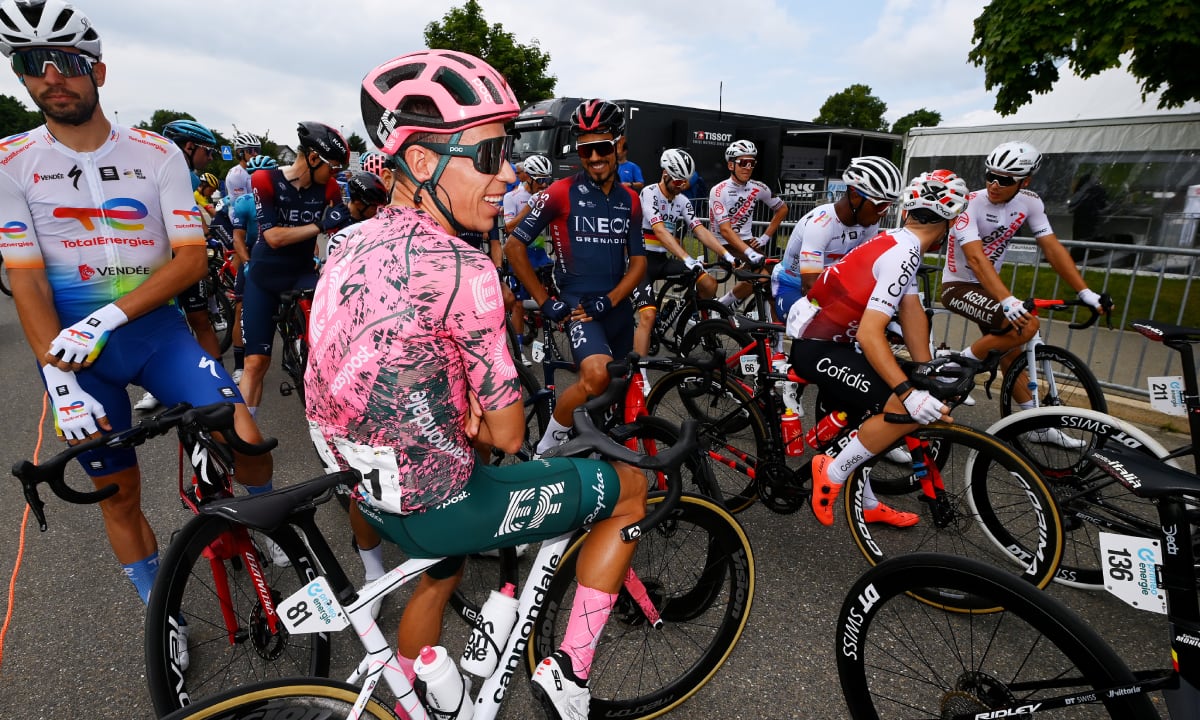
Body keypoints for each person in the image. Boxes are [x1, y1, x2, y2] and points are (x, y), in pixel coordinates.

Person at [309, 50, 648, 720]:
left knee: (444, 568)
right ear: (426, 163)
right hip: (437, 500)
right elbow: (508, 433)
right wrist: (469, 416)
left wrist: (446, 412)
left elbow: (340, 373)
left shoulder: (348, 242)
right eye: (490, 155)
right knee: (633, 490)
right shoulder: (465, 267)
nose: (509, 175)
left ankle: (414, 699)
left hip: (358, 485)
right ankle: (571, 678)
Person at [0, 0, 273, 619]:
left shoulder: (156, 152)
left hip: (153, 333)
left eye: (65, 61)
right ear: (20, 75)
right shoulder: (11, 162)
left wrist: (108, 317)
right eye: (30, 64)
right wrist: (62, 383)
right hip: (76, 357)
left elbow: (189, 260)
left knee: (248, 435)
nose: (50, 77)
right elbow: (29, 282)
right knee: (117, 495)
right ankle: (160, 611)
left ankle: (270, 520)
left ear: (97, 70)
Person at [789, 170, 971, 528]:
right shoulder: (903, 251)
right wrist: (908, 392)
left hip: (835, 340)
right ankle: (832, 470)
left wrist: (927, 370)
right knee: (901, 409)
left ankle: (867, 500)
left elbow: (912, 311)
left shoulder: (903, 243)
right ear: (951, 223)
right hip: (816, 345)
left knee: (896, 405)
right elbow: (870, 335)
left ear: (907, 212)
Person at [939, 141, 1109, 446]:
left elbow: (1052, 248)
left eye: (1005, 180)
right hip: (959, 286)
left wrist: (1085, 292)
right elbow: (976, 259)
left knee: (1012, 352)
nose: (994, 184)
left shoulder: (1030, 203)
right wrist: (1007, 299)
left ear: (1025, 181)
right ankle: (954, 367)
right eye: (990, 175)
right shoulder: (970, 204)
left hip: (989, 287)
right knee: (1028, 325)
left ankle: (1035, 425)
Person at [507, 99, 646, 458]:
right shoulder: (559, 192)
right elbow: (513, 246)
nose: (595, 157)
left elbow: (639, 264)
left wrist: (612, 300)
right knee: (597, 376)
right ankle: (549, 443)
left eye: (602, 147)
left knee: (619, 384)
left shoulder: (631, 200)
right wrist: (545, 300)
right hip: (578, 305)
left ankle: (597, 443)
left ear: (618, 145)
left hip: (614, 306)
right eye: (586, 150)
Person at [238, 121, 347, 419]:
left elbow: (344, 225)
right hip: (265, 277)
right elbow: (273, 238)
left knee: (330, 351)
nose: (335, 174)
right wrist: (320, 225)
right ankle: (244, 438)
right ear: (313, 159)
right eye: (333, 166)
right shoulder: (265, 179)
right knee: (256, 363)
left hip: (303, 272)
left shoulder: (329, 186)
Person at [134, 117, 224, 411]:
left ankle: (215, 377)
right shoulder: (154, 170)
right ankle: (167, 383)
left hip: (178, 256)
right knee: (176, 323)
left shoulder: (192, 179)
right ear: (189, 147)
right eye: (207, 152)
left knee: (198, 319)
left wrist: (207, 235)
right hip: (159, 258)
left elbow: (191, 212)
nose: (209, 159)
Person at [772, 156, 903, 318]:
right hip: (792, 284)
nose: (885, 213)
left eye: (889, 205)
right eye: (882, 205)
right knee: (814, 327)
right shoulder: (821, 223)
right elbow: (810, 286)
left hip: (831, 285)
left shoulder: (869, 223)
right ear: (855, 195)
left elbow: (862, 270)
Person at [631, 148, 727, 370]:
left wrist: (726, 254)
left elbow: (699, 229)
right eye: (677, 180)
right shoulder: (649, 192)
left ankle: (678, 318)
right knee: (647, 315)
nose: (681, 185)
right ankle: (639, 375)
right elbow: (660, 231)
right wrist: (686, 257)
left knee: (707, 282)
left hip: (662, 259)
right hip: (641, 261)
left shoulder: (682, 200)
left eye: (685, 182)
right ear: (664, 173)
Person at [709, 139, 789, 306]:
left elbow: (782, 209)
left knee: (775, 278)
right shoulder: (719, 190)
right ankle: (722, 304)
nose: (748, 167)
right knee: (761, 276)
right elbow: (725, 231)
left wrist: (764, 238)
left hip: (747, 243)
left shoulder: (758, 187)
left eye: (752, 163)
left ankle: (774, 329)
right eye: (743, 163)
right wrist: (749, 252)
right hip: (725, 245)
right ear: (731, 165)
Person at [228, 154, 278, 384]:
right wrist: (247, 263)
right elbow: (237, 238)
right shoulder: (244, 202)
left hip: (280, 256)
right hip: (254, 255)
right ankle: (239, 365)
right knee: (241, 309)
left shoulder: (285, 199)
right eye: (256, 177)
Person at [502, 153, 554, 364]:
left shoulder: (547, 196)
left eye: (547, 180)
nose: (544, 185)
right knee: (518, 303)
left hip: (540, 255)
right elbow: (508, 227)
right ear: (528, 178)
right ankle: (519, 350)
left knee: (554, 298)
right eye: (541, 180)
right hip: (521, 255)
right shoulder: (512, 197)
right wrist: (530, 207)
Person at [224, 131, 261, 201]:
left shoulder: (254, 171)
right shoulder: (237, 174)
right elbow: (244, 203)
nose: (255, 154)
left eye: (257, 150)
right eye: (251, 150)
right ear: (240, 152)